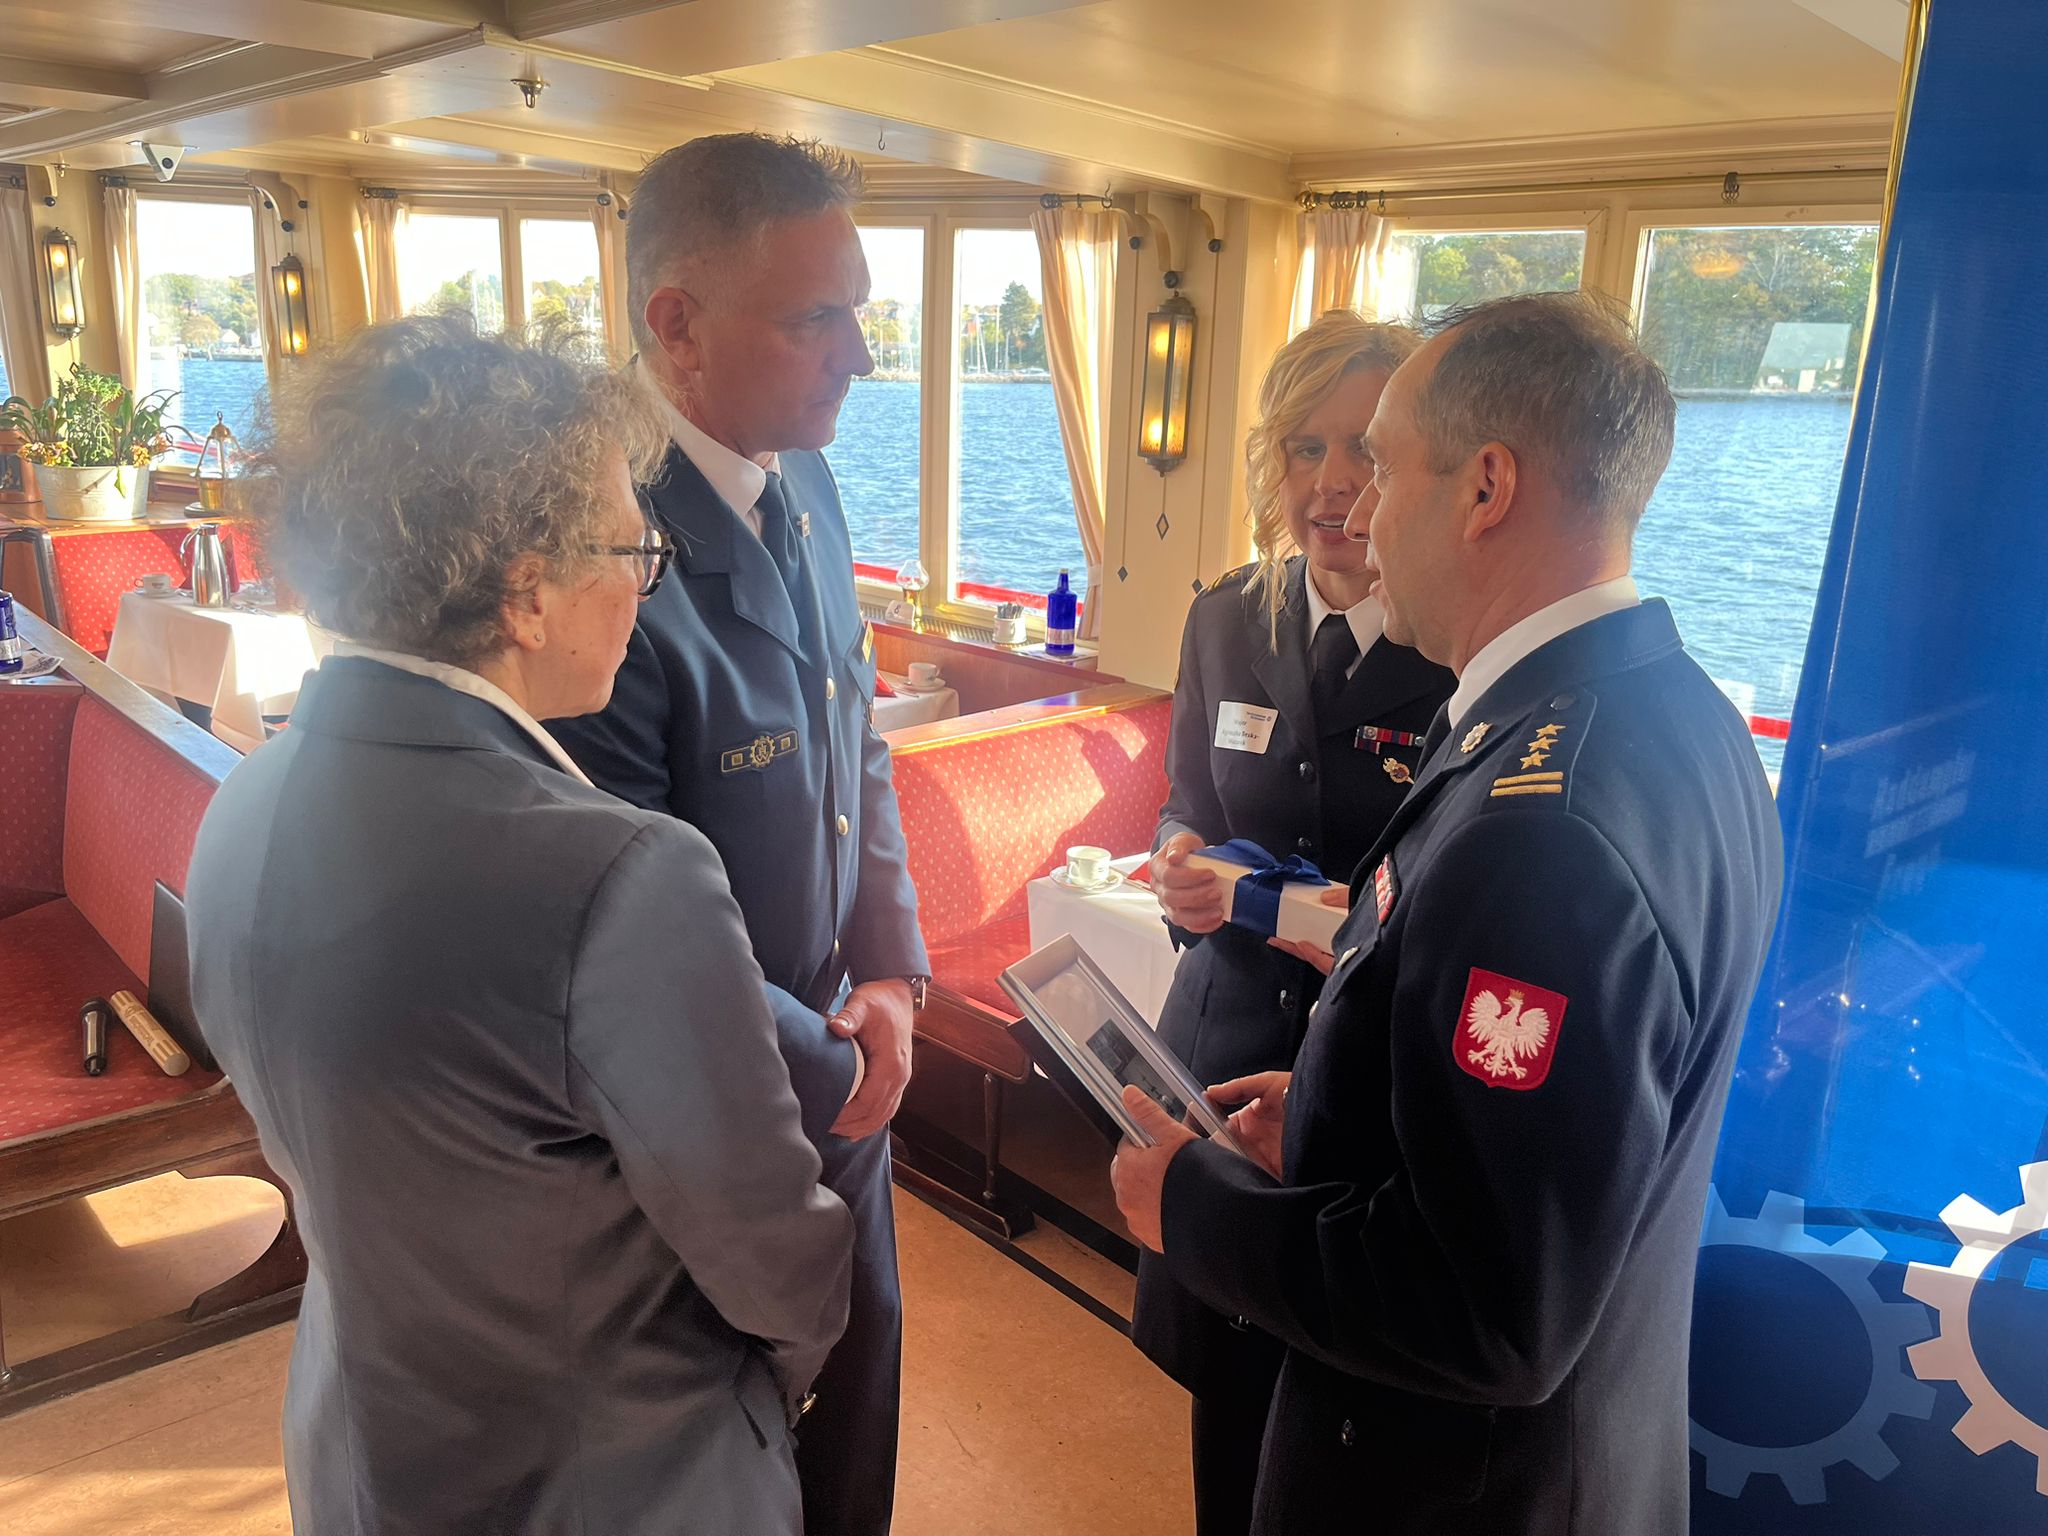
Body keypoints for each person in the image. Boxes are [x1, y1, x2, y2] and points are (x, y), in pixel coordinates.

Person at [1110, 291, 1784, 1535]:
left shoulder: (1541, 834)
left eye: (1381, 465)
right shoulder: (1680, 717)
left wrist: (1192, 1208)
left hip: (1450, 1489)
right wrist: (1331, 1116)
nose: (1356, 510)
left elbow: (1484, 1308)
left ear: (1482, 488)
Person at [183, 316, 855, 1535]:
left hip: (361, 1447)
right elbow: (774, 1254)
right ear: (527, 592)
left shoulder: (243, 802)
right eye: (631, 546)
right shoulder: (622, 874)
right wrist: (767, 1398)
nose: (643, 582)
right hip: (611, 1482)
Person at [548, 133, 926, 1536]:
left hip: (841, 1050)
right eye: (817, 318)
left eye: (859, 312)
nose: (860, 358)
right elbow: (625, 918)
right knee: (732, 1446)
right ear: (677, 323)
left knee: (860, 1404)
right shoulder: (597, 540)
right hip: (704, 1100)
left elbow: (854, 737)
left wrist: (892, 974)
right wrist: (837, 1059)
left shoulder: (802, 477)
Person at [1133, 311, 1454, 1536]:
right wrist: (1176, 855)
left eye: (1364, 448)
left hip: (1361, 1081)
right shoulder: (1227, 618)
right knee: (1225, 1395)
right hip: (1219, 1052)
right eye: (1303, 449)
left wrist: (1300, 909)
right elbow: (1188, 798)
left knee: (1341, 1412)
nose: (1332, 483)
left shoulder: (1455, 649)